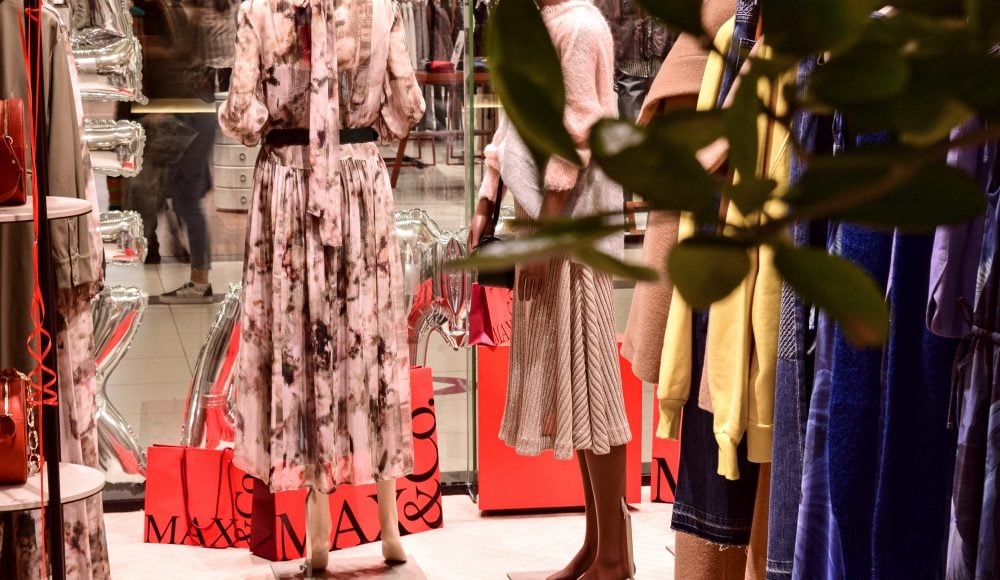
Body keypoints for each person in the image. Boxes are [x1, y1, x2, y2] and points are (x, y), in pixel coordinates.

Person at [218, 0, 425, 569]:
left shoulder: (260, 9)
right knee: (367, 340)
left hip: (290, 183)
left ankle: (318, 533)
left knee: (301, 340)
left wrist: (278, 125)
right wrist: (362, 129)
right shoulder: (382, 7)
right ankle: (389, 523)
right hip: (360, 182)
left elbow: (241, 112)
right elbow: (407, 104)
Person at [469, 1, 631, 578]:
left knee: (595, 389)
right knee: (578, 392)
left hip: (573, 231)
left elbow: (578, 132)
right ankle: (600, 547)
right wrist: (488, 196)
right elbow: (513, 120)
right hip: (549, 220)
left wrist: (546, 232)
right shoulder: (541, 24)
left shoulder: (580, 26)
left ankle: (612, 555)